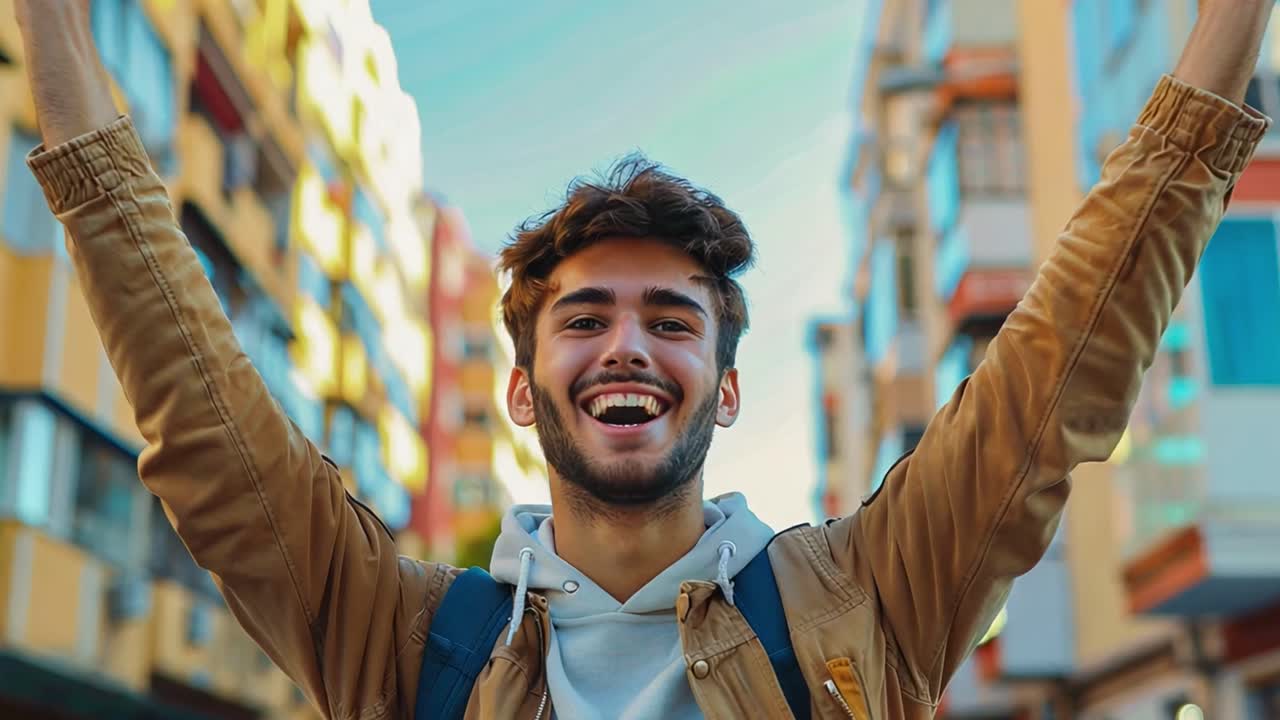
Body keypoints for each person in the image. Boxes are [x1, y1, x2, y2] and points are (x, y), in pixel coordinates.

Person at [10, 0, 1274, 717]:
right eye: (583, 317)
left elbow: (1063, 363)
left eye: (672, 320)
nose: (628, 344)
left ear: (725, 386)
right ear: (519, 388)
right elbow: (203, 415)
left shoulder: (866, 598)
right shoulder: (401, 642)